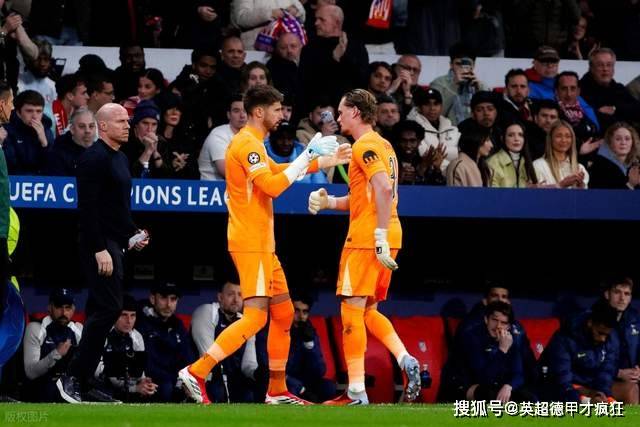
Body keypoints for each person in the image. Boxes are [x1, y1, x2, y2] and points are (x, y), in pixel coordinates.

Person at [179, 85, 350, 405]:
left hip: (262, 244)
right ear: (259, 112)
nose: (281, 115)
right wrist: (307, 156)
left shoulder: (254, 144)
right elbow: (272, 187)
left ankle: (277, 389)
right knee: (256, 317)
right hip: (250, 242)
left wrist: (323, 160)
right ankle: (196, 371)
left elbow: (277, 171)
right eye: (276, 109)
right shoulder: (246, 144)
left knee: (284, 313)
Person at [306, 88, 421, 405]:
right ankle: (405, 358)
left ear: (355, 112)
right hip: (388, 232)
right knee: (369, 309)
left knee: (351, 309)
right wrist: (329, 202)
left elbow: (383, 189)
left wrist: (378, 235)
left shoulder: (364, 145)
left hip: (368, 237)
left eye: (341, 111)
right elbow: (366, 198)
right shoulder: (384, 145)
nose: (338, 116)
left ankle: (356, 392)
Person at [57, 103, 149, 403]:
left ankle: (84, 383)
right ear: (104, 126)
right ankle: (72, 376)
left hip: (114, 243)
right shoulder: (92, 158)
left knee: (100, 310)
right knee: (110, 308)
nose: (127, 125)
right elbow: (88, 209)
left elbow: (116, 208)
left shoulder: (120, 158)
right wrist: (99, 249)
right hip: (97, 244)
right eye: (121, 121)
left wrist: (132, 233)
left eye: (128, 120)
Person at [448, 301, 538, 403]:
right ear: (486, 319)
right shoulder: (473, 338)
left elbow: (518, 373)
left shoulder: (511, 339)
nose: (498, 326)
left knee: (528, 397)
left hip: (497, 385)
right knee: (491, 395)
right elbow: (484, 378)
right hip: (472, 386)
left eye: (503, 323)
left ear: (509, 326)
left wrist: (509, 386)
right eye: (494, 320)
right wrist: (502, 350)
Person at [538, 299, 619, 403]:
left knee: (625, 393)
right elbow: (562, 380)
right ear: (590, 323)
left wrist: (601, 392)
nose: (603, 339)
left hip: (592, 386)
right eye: (600, 333)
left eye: (606, 335)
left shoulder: (611, 338)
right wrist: (589, 398)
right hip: (562, 388)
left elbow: (607, 371)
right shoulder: (566, 337)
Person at [191, 280, 259, 403]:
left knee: (252, 392)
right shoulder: (207, 312)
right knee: (218, 391)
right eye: (231, 294)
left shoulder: (247, 323)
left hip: (234, 379)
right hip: (208, 376)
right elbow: (207, 357)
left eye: (240, 295)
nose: (236, 299)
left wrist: (259, 374)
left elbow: (248, 364)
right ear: (220, 297)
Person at [136, 282, 194, 402]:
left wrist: (186, 381)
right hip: (150, 381)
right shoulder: (140, 322)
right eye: (163, 298)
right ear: (153, 299)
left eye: (173, 299)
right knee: (166, 386)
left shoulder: (178, 325)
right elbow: (146, 363)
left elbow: (187, 359)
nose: (168, 304)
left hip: (174, 380)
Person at [22, 289, 83, 402]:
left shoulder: (77, 329)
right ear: (49, 308)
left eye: (68, 308)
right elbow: (30, 373)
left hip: (68, 393)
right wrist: (57, 353)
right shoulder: (36, 328)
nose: (64, 313)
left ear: (73, 309)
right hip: (38, 394)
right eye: (59, 307)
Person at [94, 295, 157, 402]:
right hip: (100, 389)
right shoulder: (100, 334)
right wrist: (134, 388)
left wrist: (144, 382)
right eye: (124, 315)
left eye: (133, 316)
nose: (129, 321)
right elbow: (99, 374)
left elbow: (139, 370)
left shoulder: (136, 336)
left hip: (125, 388)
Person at [286, 294, 336, 402]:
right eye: (296, 311)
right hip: (287, 382)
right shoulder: (279, 330)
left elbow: (320, 371)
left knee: (329, 388)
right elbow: (280, 372)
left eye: (305, 312)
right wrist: (301, 389)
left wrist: (309, 344)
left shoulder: (309, 332)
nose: (301, 316)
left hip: (307, 382)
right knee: (292, 390)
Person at [601, 276, 640, 404]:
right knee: (631, 389)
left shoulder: (636, 319)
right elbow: (587, 362)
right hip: (603, 380)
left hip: (632, 378)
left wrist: (638, 371)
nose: (622, 298)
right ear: (607, 294)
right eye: (617, 292)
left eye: (627, 294)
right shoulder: (594, 321)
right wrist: (618, 373)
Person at [430, 43, 489, 126]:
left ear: (473, 65)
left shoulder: (481, 86)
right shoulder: (439, 83)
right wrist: (454, 85)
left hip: (475, 131)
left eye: (467, 64)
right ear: (451, 65)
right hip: (448, 131)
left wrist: (479, 91)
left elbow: (490, 117)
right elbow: (434, 115)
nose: (462, 68)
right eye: (458, 64)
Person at [406, 87, 460, 172]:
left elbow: (459, 154)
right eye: (427, 104)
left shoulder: (452, 128)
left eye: (436, 104)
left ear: (441, 107)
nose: (432, 108)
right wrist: (449, 166)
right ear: (420, 107)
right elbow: (425, 154)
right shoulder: (413, 129)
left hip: (453, 174)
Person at [2, 89, 54, 175]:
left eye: (39, 111)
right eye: (29, 111)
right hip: (15, 179)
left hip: (41, 180)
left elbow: (52, 167)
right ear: (18, 113)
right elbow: (9, 165)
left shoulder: (46, 130)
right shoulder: (7, 130)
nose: (35, 116)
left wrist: (44, 144)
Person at [198, 94, 247, 180]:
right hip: (212, 187)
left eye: (245, 111)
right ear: (228, 115)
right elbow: (227, 172)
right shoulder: (218, 135)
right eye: (236, 111)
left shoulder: (251, 135)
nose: (242, 115)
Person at [533, 120, 589, 188]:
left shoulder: (580, 168)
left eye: (568, 136)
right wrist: (561, 185)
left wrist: (580, 186)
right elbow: (536, 193)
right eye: (558, 136)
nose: (564, 140)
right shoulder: (538, 165)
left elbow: (584, 194)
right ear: (550, 139)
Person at [589, 122, 640, 190]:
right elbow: (604, 195)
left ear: (633, 142)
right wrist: (630, 184)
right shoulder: (600, 166)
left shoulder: (635, 167)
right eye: (618, 139)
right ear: (610, 142)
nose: (623, 142)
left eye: (627, 139)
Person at [487, 122, 538, 188]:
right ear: (502, 138)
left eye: (520, 135)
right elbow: (492, 192)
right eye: (511, 135)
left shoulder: (527, 161)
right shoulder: (493, 162)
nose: (516, 139)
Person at [47, 108, 96, 176]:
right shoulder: (57, 154)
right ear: (72, 129)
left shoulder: (102, 152)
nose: (87, 131)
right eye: (82, 126)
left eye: (91, 126)